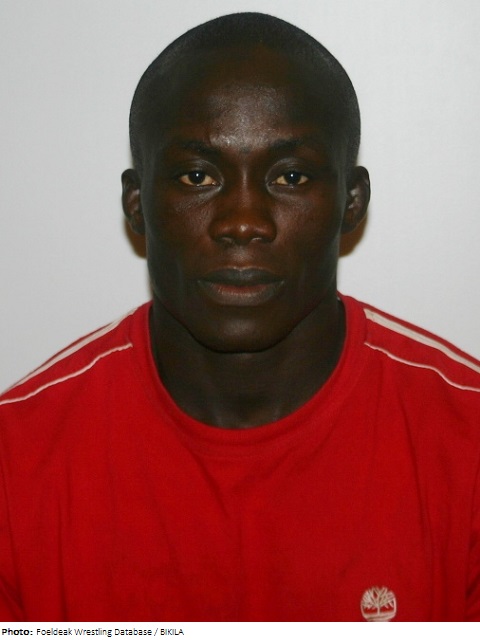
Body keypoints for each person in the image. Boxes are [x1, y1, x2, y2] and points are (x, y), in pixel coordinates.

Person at [0, 12, 479, 623]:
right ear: (137, 204)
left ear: (351, 202)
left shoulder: (465, 444)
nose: (243, 222)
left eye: (290, 176)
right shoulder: (17, 463)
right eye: (198, 176)